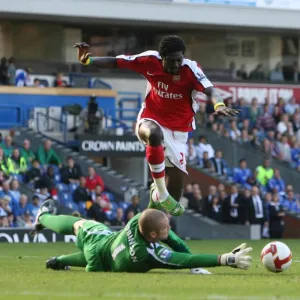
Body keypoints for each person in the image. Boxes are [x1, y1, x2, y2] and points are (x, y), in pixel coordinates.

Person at [74, 36, 240, 216]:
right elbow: (116, 62)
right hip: (150, 118)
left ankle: (154, 212)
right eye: (172, 60)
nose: (176, 64)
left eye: (179, 59)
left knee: (173, 204)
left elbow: (211, 90)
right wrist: (89, 60)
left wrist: (219, 105)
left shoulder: (190, 68)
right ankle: (161, 192)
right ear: (162, 57)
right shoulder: (149, 60)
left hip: (178, 132)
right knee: (154, 134)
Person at [31, 199, 252, 274]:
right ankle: (45, 222)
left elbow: (171, 238)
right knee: (81, 234)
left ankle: (45, 221)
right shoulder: (149, 253)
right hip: (100, 256)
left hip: (101, 246)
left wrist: (157, 195)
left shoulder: (139, 220)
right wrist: (225, 259)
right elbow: (185, 259)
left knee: (78, 224)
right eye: (166, 227)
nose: (170, 228)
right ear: (154, 235)